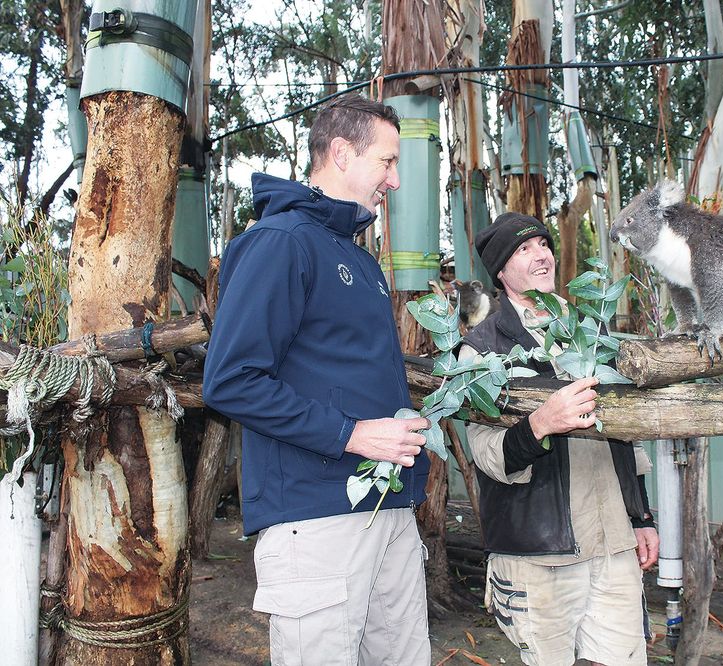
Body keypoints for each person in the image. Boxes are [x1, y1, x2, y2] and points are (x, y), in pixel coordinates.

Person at [203, 94, 432, 666]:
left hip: (387, 510)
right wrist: (352, 434)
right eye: (386, 161)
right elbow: (231, 380)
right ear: (340, 154)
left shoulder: (356, 259)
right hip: (315, 519)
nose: (396, 180)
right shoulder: (280, 242)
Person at [458, 212, 659, 666]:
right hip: (539, 557)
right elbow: (488, 455)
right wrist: (539, 425)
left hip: (613, 545)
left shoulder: (590, 330)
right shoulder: (483, 348)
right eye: (523, 250)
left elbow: (628, 437)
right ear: (502, 272)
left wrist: (641, 516)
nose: (541, 255)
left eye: (543, 245)